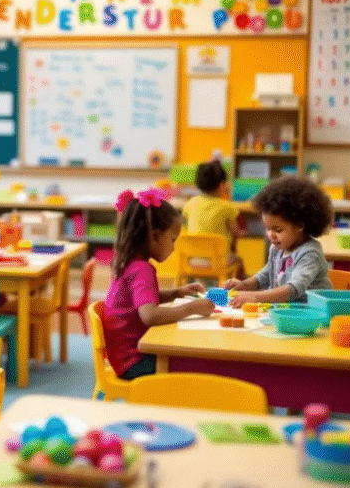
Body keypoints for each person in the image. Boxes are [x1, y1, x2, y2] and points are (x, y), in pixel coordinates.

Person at [102, 188, 215, 380]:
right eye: (172, 240)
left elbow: (138, 302)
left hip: (123, 358)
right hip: (135, 361)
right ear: (154, 236)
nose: (173, 247)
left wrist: (175, 293)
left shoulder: (127, 262)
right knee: (198, 363)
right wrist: (192, 308)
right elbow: (149, 314)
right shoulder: (141, 269)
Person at [224, 177, 333, 307]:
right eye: (267, 228)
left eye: (278, 230)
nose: (270, 235)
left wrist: (255, 296)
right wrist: (244, 285)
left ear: (300, 225)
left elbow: (293, 289)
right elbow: (265, 275)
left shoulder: (310, 253)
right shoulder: (277, 248)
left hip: (309, 314)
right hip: (284, 311)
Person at [181, 159, 246, 278]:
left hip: (192, 260)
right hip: (218, 261)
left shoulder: (189, 204)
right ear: (222, 184)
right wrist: (242, 232)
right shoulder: (227, 207)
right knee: (238, 261)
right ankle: (238, 291)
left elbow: (185, 227)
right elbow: (236, 232)